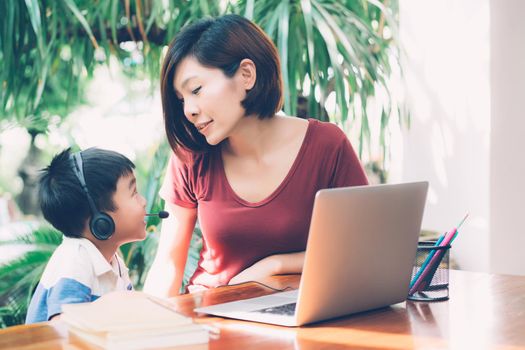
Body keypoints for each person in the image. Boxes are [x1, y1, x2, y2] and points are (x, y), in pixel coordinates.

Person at [144, 14, 368, 297]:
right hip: (212, 313)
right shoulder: (192, 156)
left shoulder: (327, 145)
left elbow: (362, 249)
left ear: (246, 75)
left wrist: (275, 265)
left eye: (196, 90)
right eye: (181, 100)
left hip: (302, 313)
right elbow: (167, 266)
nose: (188, 110)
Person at [25, 148, 147, 324]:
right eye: (134, 193)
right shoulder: (75, 259)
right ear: (100, 220)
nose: (143, 201)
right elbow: (65, 330)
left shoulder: (114, 263)